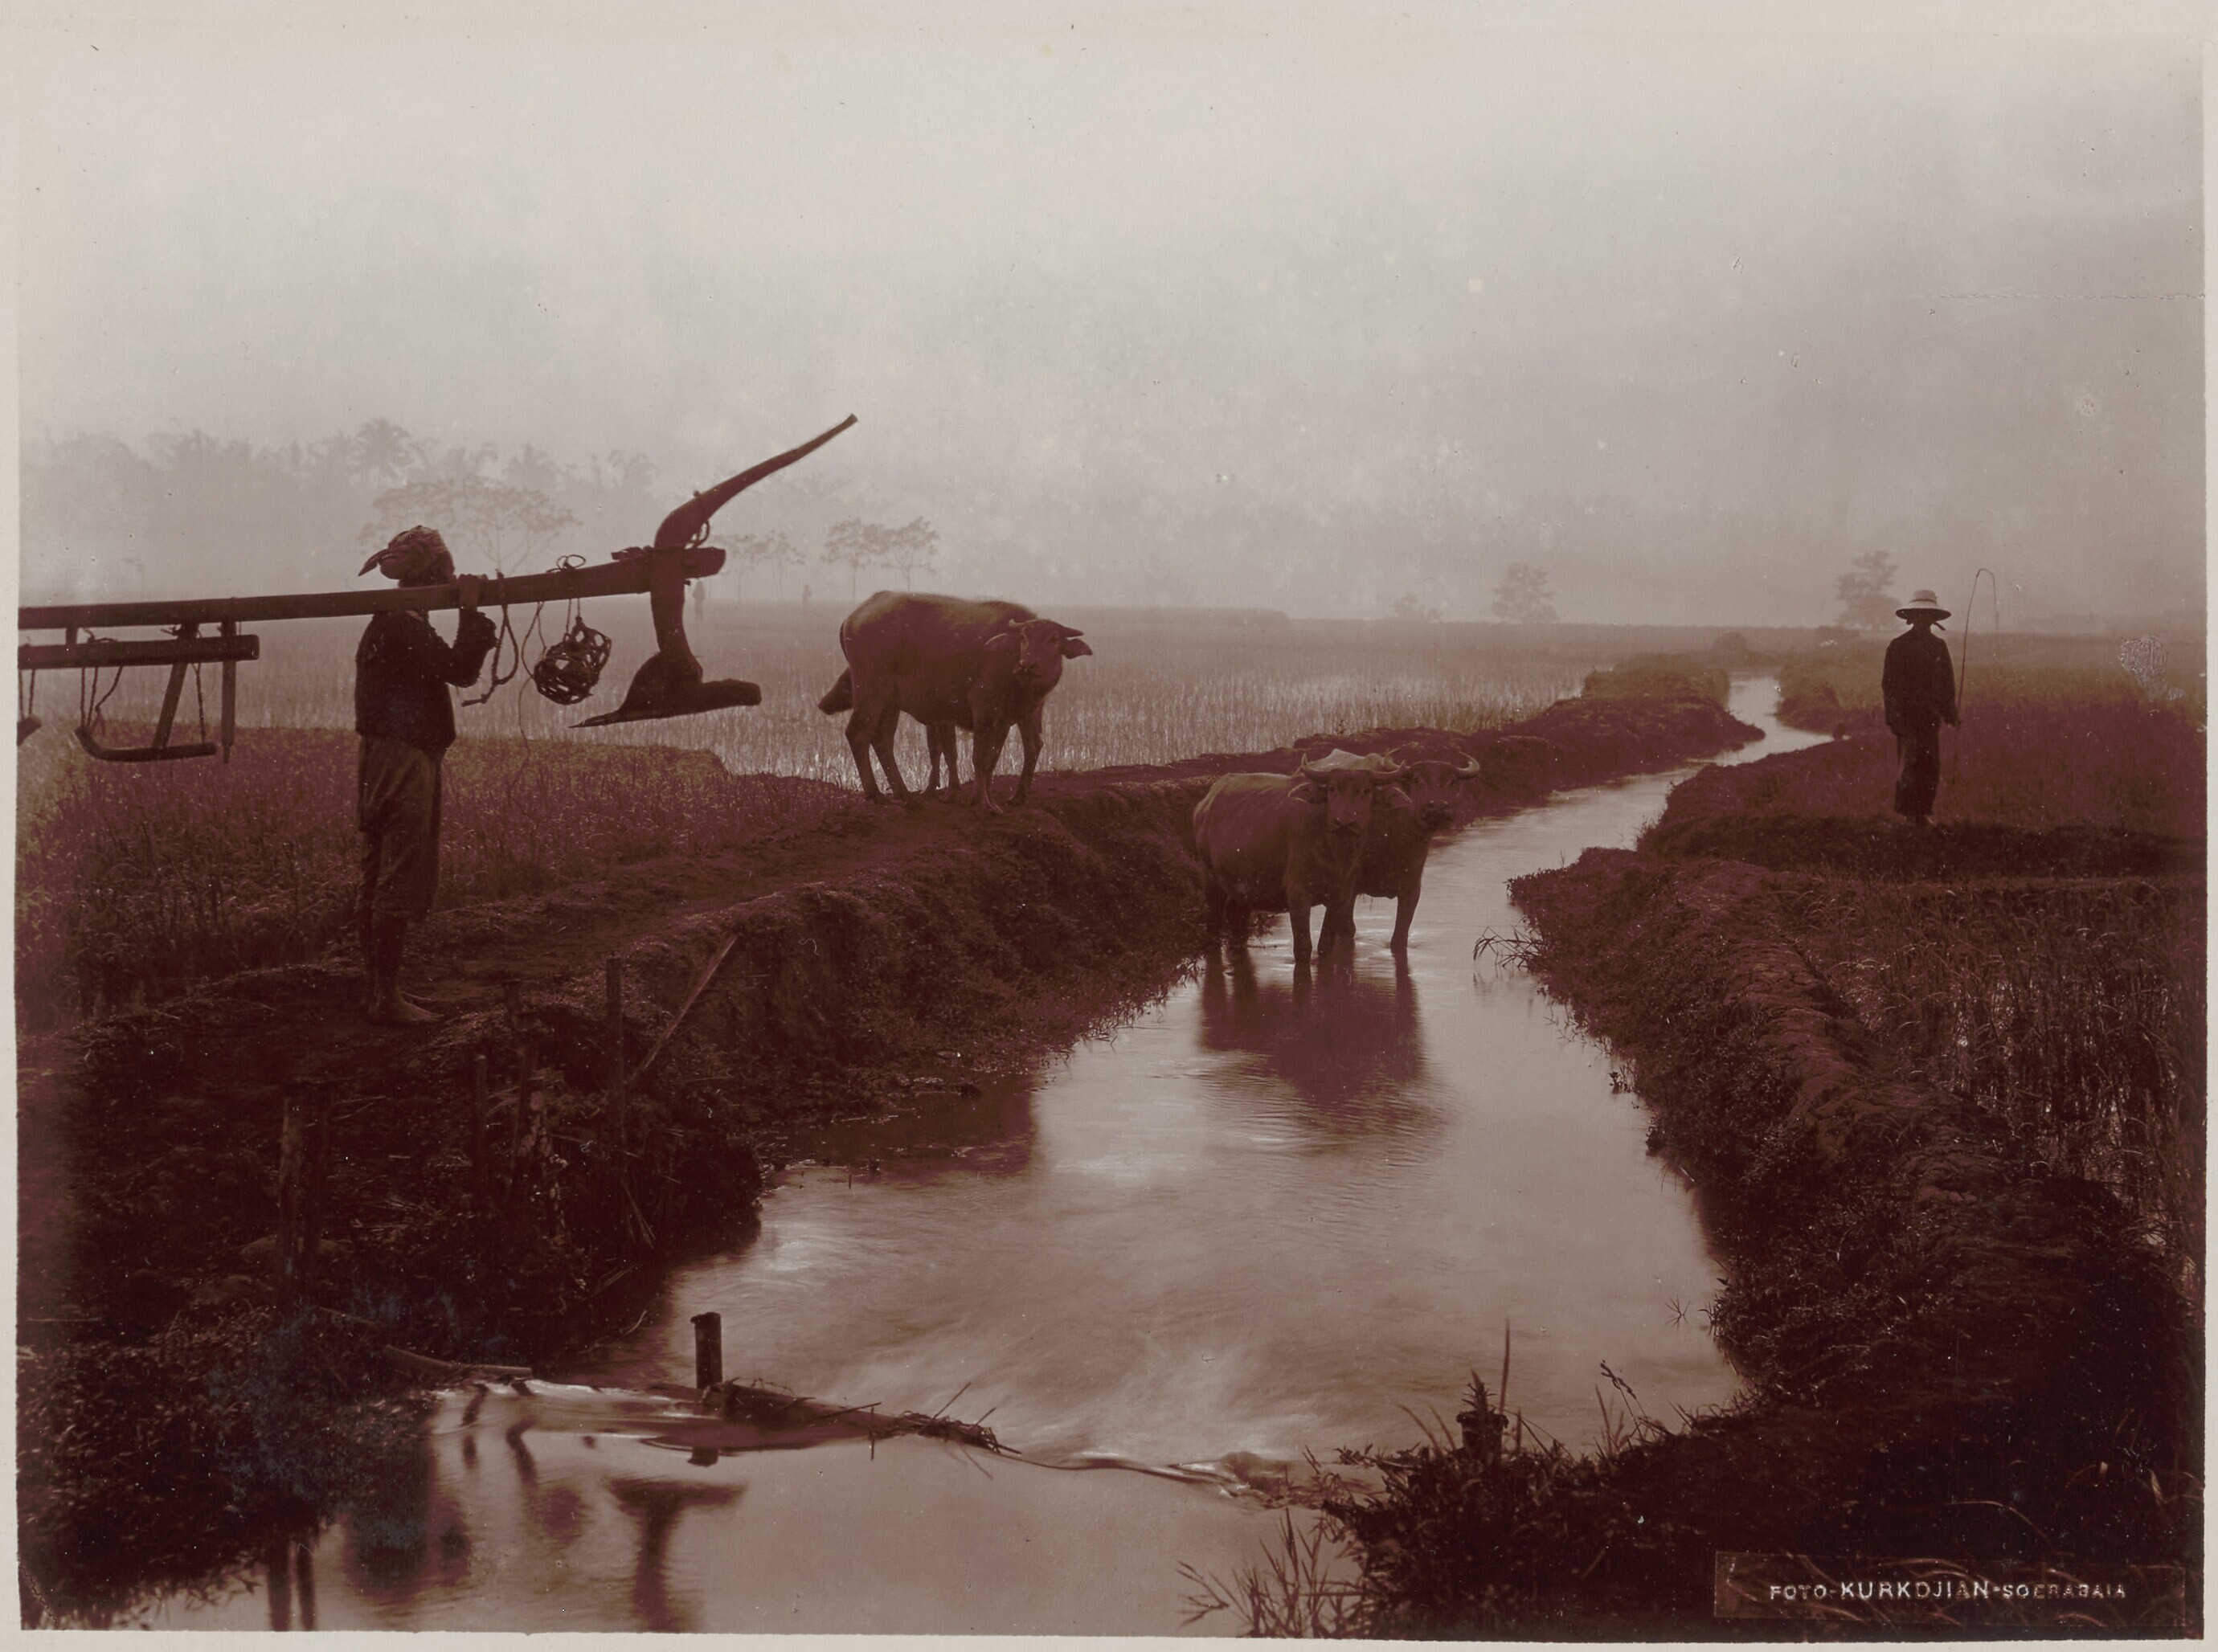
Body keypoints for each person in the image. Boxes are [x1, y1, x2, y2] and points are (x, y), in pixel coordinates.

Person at [354, 527, 497, 1023]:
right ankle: (386, 997)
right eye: (447, 574)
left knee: (379, 870)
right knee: (398, 870)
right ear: (432, 576)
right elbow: (460, 670)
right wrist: (471, 612)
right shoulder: (403, 623)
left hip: (388, 753)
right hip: (403, 755)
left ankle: (379, 991)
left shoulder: (396, 619)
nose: (453, 580)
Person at [1881, 588, 1958, 826]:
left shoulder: (1939, 647)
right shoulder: (1898, 646)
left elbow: (1947, 684)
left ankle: (1923, 812)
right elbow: (1890, 686)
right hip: (1906, 718)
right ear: (1912, 618)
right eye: (1920, 615)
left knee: (1930, 766)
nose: (1924, 620)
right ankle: (1909, 815)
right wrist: (1894, 718)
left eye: (1928, 615)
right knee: (1910, 766)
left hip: (1930, 717)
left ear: (1933, 619)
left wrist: (1950, 712)